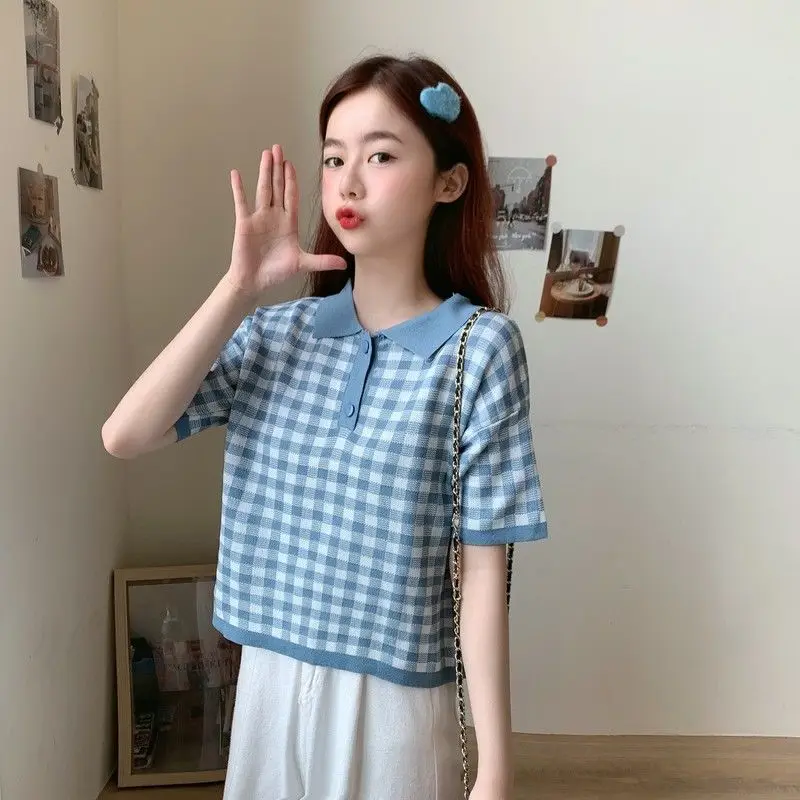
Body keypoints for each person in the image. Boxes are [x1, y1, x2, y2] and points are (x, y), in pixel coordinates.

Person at [102, 53, 548, 800]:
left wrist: (496, 765)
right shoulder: (275, 334)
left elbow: (482, 572)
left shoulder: (480, 350)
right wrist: (238, 287)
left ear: (449, 182)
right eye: (335, 157)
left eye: (381, 156)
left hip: (398, 702)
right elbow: (126, 434)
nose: (348, 182)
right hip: (269, 682)